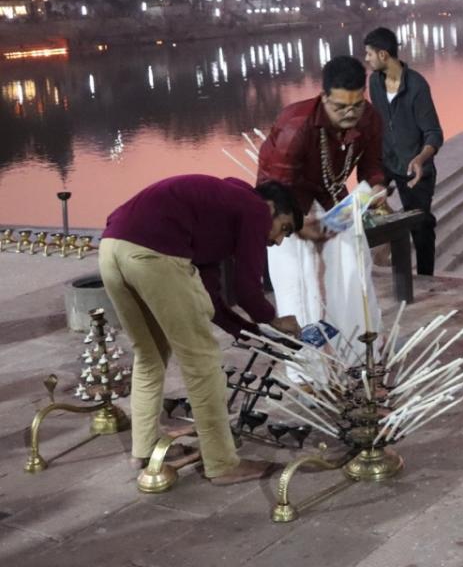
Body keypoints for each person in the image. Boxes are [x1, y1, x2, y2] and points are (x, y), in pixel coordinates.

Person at [98, 176, 302, 485]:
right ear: (272, 207)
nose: (278, 241)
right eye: (284, 228)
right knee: (203, 361)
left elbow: (213, 300)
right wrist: (274, 319)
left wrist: (247, 331)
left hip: (111, 248)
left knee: (150, 353)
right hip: (154, 253)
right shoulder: (255, 209)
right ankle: (222, 463)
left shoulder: (215, 211)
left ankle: (145, 447)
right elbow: (248, 289)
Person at [257, 56, 387, 366]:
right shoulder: (296, 127)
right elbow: (278, 193)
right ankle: (308, 371)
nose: (350, 114)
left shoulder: (368, 118)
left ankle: (354, 353)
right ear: (324, 96)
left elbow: (372, 165)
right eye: (340, 107)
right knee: (300, 282)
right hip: (283, 205)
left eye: (356, 105)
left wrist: (377, 188)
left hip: (332, 197)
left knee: (353, 270)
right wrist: (302, 228)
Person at [363, 27, 444, 275]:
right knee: (362, 203)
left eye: (369, 54)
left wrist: (420, 158)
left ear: (384, 55)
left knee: (420, 225)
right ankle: (372, 269)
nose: (366, 59)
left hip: (414, 168)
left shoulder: (417, 86)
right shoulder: (374, 82)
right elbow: (377, 122)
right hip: (387, 161)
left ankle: (426, 278)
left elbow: (434, 133)